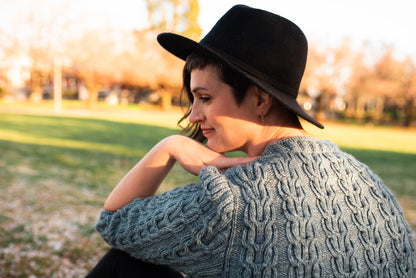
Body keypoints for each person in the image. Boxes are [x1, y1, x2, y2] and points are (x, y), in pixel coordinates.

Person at [86, 4, 416, 277]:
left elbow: (115, 220)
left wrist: (169, 147)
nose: (192, 116)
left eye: (204, 98)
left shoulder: (234, 199)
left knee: (123, 263)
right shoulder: (367, 180)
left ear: (260, 100)